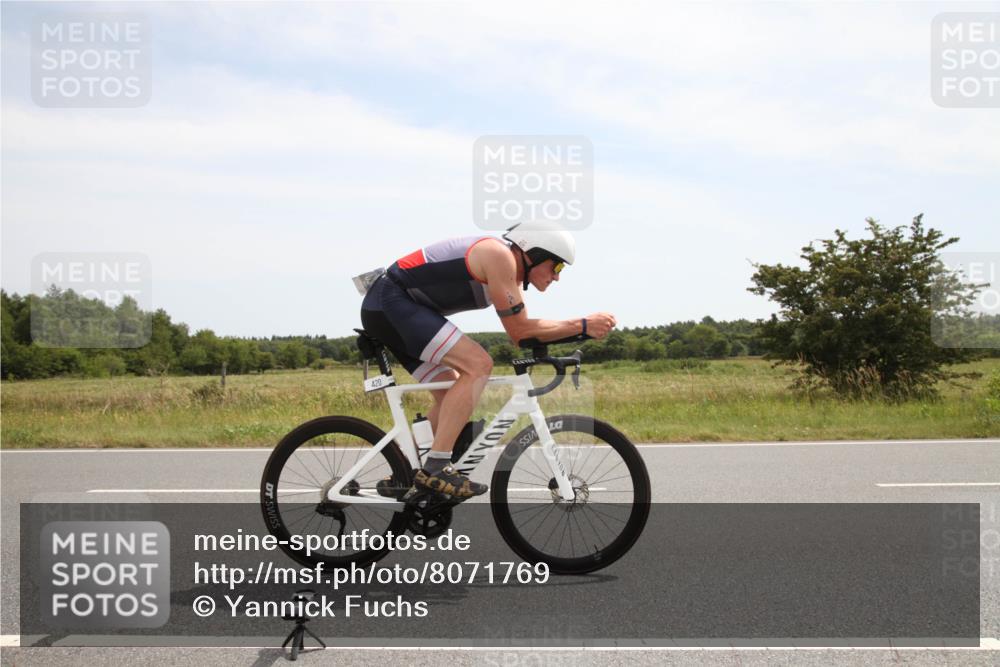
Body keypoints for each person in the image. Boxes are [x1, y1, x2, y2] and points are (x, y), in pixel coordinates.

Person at [359, 223, 617, 500]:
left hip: (395, 309)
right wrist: (582, 325)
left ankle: (404, 475)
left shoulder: (509, 275)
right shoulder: (499, 256)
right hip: (392, 303)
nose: (557, 277)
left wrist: (578, 332)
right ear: (535, 254)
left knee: (452, 395)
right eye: (557, 266)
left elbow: (524, 333)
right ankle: (436, 468)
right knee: (478, 365)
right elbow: (520, 331)